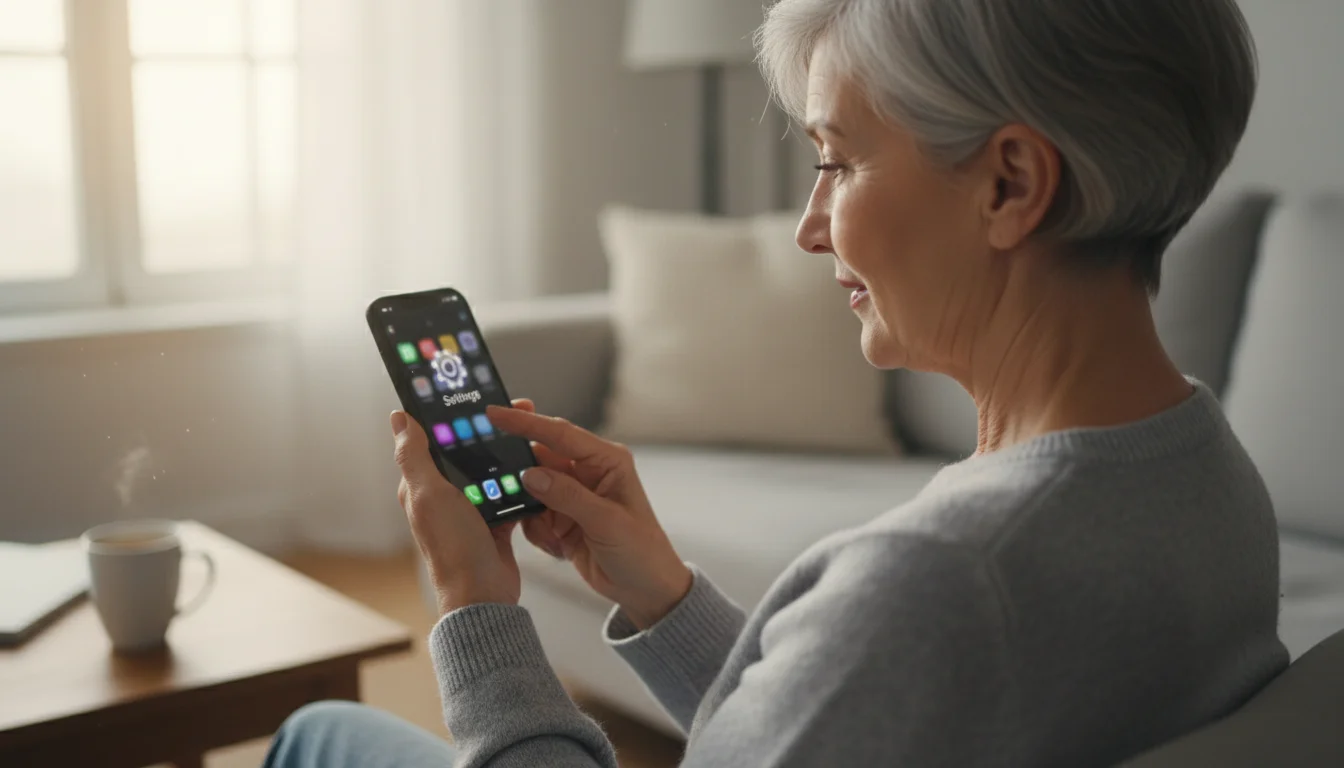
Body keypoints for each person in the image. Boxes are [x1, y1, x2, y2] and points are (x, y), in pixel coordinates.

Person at [264, 0, 1288, 765]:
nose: (808, 226)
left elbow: (883, 661)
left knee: (318, 732)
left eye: (837, 161)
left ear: (1010, 184)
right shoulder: (1208, 473)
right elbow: (842, 726)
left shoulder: (941, 580)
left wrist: (475, 610)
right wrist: (663, 597)